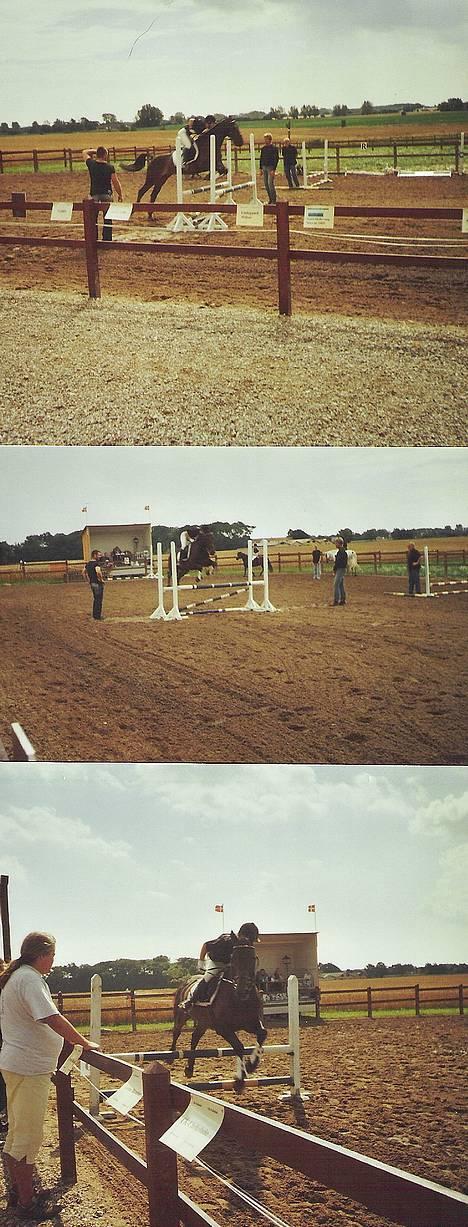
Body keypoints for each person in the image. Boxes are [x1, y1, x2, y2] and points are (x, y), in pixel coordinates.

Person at [0, 932, 99, 1221]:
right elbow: (51, 1017)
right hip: (28, 1067)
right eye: (52, 955)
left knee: (19, 1131)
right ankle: (28, 1204)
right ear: (42, 954)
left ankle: (20, 1192)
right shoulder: (29, 978)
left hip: (22, 1064)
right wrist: (83, 1042)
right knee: (28, 1135)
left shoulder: (18, 977)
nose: (54, 961)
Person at [179, 922, 260, 1013]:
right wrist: (201, 962)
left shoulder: (247, 945)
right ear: (243, 936)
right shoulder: (225, 940)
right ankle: (190, 1000)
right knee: (209, 977)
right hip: (216, 962)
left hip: (231, 964)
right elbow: (206, 946)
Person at [82, 146, 122, 241]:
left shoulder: (91, 164)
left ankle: (93, 239)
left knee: (93, 219)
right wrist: (120, 194)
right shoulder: (109, 167)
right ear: (105, 155)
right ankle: (107, 239)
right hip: (106, 195)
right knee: (108, 218)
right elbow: (115, 182)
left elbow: (84, 152)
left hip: (94, 195)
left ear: (97, 155)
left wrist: (95, 151)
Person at [83, 549, 106, 621]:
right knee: (99, 600)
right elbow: (98, 572)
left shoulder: (88, 564)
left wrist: (88, 580)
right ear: (94, 555)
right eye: (98, 555)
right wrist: (101, 579)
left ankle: (95, 615)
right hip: (97, 583)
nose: (100, 556)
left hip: (92, 583)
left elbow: (83, 572)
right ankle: (97, 616)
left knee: (96, 599)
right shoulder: (96, 564)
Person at [259, 133, 279, 203]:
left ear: (269, 139)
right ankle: (270, 199)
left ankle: (274, 200)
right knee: (266, 184)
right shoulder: (263, 148)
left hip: (270, 168)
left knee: (270, 184)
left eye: (266, 139)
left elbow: (276, 159)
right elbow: (261, 158)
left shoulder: (274, 148)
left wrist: (273, 169)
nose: (265, 140)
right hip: (264, 167)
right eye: (264, 139)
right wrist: (260, 168)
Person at [332, 537, 348, 606]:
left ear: (339, 543)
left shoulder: (341, 552)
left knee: (336, 585)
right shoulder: (342, 551)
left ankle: (336, 600)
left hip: (340, 569)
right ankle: (342, 600)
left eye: (336, 543)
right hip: (341, 569)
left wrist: (335, 568)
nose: (335, 544)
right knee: (340, 585)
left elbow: (338, 562)